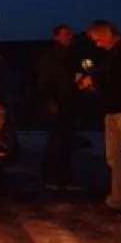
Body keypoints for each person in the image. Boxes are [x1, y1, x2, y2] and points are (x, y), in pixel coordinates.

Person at [82, 20, 121, 210]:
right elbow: (110, 78)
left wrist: (97, 80)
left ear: (108, 34)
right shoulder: (111, 55)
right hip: (112, 110)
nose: (98, 44)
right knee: (114, 157)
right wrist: (96, 82)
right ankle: (119, 197)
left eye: (98, 40)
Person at [37, 26, 81, 189]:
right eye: (66, 34)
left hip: (70, 103)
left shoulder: (73, 56)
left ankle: (65, 176)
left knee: (67, 141)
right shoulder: (50, 57)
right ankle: (51, 176)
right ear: (57, 36)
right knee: (56, 141)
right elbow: (44, 81)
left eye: (70, 33)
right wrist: (50, 102)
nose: (70, 36)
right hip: (57, 103)